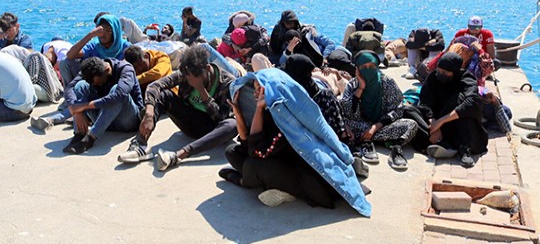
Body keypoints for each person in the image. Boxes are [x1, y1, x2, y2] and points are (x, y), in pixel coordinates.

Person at [220, 68, 372, 216]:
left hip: (309, 179)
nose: (256, 94)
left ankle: (247, 182)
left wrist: (259, 108)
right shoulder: (271, 111)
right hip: (278, 159)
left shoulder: (287, 117)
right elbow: (247, 144)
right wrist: (238, 114)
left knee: (252, 166)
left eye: (261, 89)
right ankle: (271, 185)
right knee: (232, 152)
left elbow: (256, 152)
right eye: (255, 89)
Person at [117, 45, 237, 171]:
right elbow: (155, 86)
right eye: (187, 77)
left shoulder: (227, 83)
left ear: (206, 69)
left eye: (192, 78)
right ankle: (140, 144)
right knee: (165, 95)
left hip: (211, 130)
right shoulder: (187, 73)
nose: (189, 81)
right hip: (190, 122)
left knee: (232, 125)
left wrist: (202, 91)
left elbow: (220, 118)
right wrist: (149, 114)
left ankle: (178, 155)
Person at [339, 51, 417, 170]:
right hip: (359, 125)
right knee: (343, 126)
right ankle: (373, 141)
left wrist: (376, 126)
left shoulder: (387, 82)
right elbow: (347, 111)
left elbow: (397, 109)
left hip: (381, 126)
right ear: (357, 69)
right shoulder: (352, 85)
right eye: (363, 67)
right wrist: (360, 88)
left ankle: (393, 146)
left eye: (371, 66)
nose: (368, 70)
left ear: (376, 66)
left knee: (410, 125)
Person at [417, 52, 488, 168]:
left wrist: (441, 122)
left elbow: (472, 102)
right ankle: (439, 142)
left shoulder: (466, 78)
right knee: (409, 110)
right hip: (435, 120)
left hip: (457, 122)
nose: (440, 74)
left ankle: (463, 149)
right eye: (439, 70)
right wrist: (433, 122)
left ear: (454, 72)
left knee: (459, 99)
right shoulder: (433, 78)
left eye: (445, 73)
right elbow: (425, 102)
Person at [62, 57, 143, 154]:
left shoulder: (125, 69)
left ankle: (90, 138)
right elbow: (69, 88)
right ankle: (79, 133)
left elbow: (119, 95)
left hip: (127, 121)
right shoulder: (90, 70)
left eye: (99, 83)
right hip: (103, 120)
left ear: (107, 70)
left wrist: (84, 106)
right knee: (80, 85)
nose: (98, 85)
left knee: (116, 90)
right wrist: (76, 111)